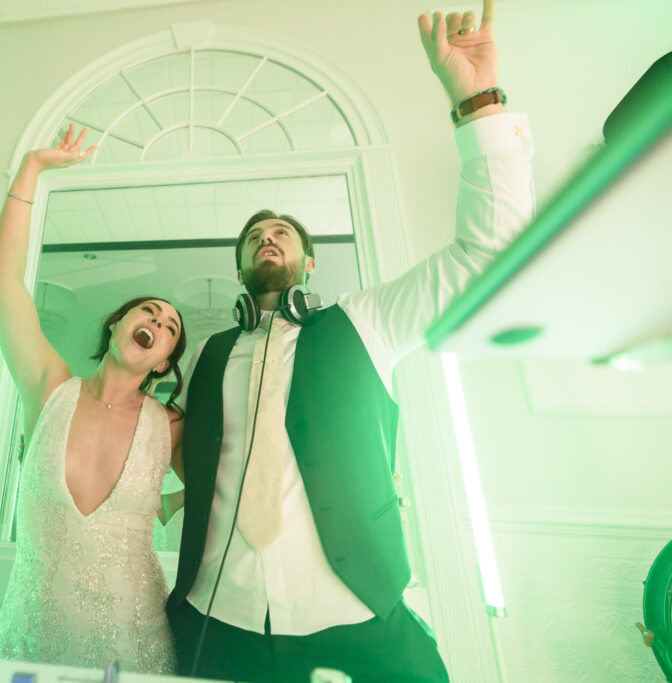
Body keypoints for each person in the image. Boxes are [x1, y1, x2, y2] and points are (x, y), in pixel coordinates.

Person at [165, 1, 534, 682]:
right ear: (239, 270)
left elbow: (489, 254)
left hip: (360, 615)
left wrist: (476, 101)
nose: (266, 237)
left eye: (282, 234)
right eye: (253, 236)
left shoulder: (365, 321)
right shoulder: (210, 353)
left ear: (309, 265)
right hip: (218, 622)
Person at [0, 125, 186, 673]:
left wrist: (166, 505)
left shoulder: (169, 424)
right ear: (119, 322)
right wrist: (31, 168)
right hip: (30, 645)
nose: (156, 319)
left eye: (169, 326)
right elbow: (6, 278)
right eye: (147, 310)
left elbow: (231, 495)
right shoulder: (49, 387)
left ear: (163, 360)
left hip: (136, 651)